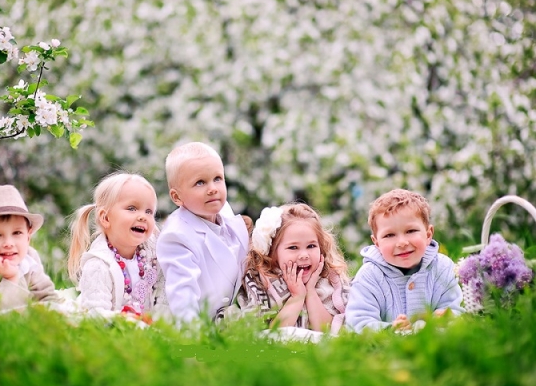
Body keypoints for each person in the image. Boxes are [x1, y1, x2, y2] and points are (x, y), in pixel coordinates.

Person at [345, 188, 464, 333]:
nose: (401, 243)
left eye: (410, 231)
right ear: (377, 243)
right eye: (389, 235)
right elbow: (358, 323)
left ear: (428, 235)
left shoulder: (442, 268)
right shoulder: (369, 276)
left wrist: (446, 317)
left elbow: (456, 310)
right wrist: (390, 330)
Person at [156, 142, 250, 322]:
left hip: (236, 321)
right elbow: (183, 297)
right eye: (200, 182)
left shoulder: (226, 214)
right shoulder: (176, 236)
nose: (213, 188)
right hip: (202, 325)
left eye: (218, 178)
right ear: (177, 197)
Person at [237, 203, 350, 334]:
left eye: (311, 246)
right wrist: (297, 296)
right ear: (273, 252)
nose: (304, 255)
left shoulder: (329, 281)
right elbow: (272, 334)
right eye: (293, 247)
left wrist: (310, 291)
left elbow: (328, 332)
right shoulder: (262, 282)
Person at [67, 172, 159, 319]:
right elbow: (95, 315)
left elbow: (164, 293)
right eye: (132, 208)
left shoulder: (153, 254)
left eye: (149, 211)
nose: (143, 216)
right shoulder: (98, 266)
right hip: (113, 325)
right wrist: (127, 321)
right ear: (106, 218)